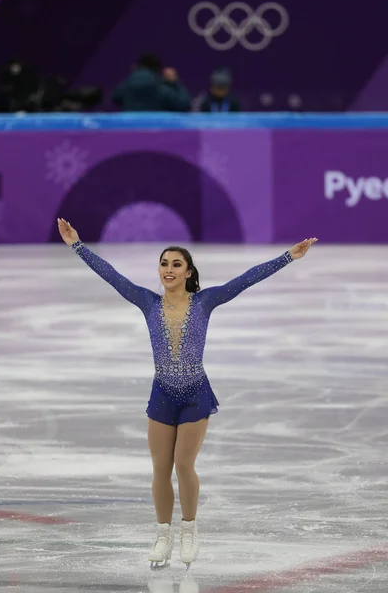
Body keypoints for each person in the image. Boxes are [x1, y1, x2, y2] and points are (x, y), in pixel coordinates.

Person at [57, 218, 317, 569]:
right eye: (164, 264)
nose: (168, 269)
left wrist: (288, 256)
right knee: (160, 468)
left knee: (183, 464)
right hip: (162, 393)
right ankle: (163, 536)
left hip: (195, 393)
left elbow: (246, 279)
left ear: (189, 272)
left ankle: (189, 530)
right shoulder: (148, 302)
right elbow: (113, 276)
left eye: (176, 264)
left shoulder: (205, 301)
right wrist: (77, 245)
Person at [112, 53, 191, 112]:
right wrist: (175, 82)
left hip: (128, 130)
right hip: (156, 130)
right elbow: (183, 104)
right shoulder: (161, 88)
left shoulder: (128, 83)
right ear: (158, 69)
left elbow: (115, 97)